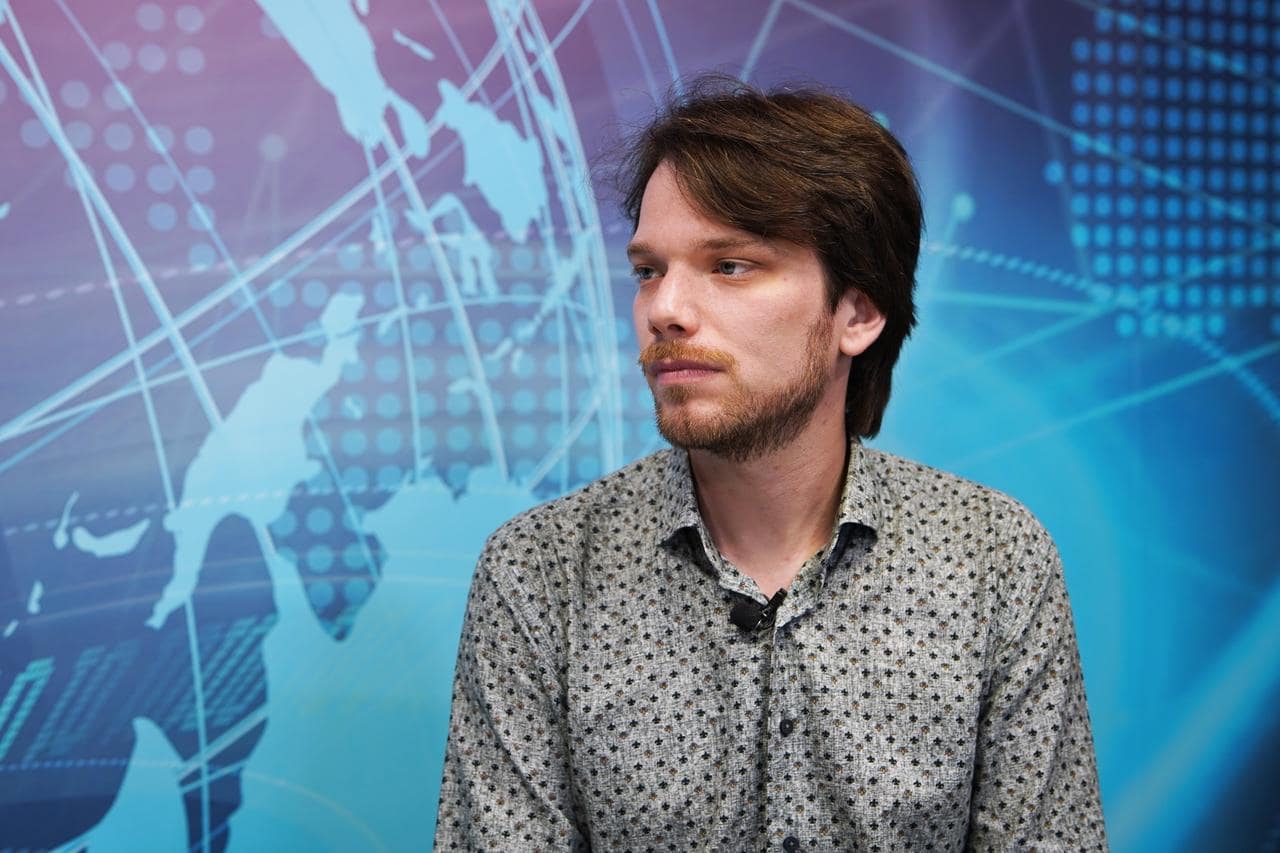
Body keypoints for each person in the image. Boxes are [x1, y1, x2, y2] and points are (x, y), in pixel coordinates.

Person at [434, 75, 1107, 851]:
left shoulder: (992, 558)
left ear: (858, 312)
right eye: (648, 270)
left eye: (730, 265)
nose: (664, 310)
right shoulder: (539, 573)